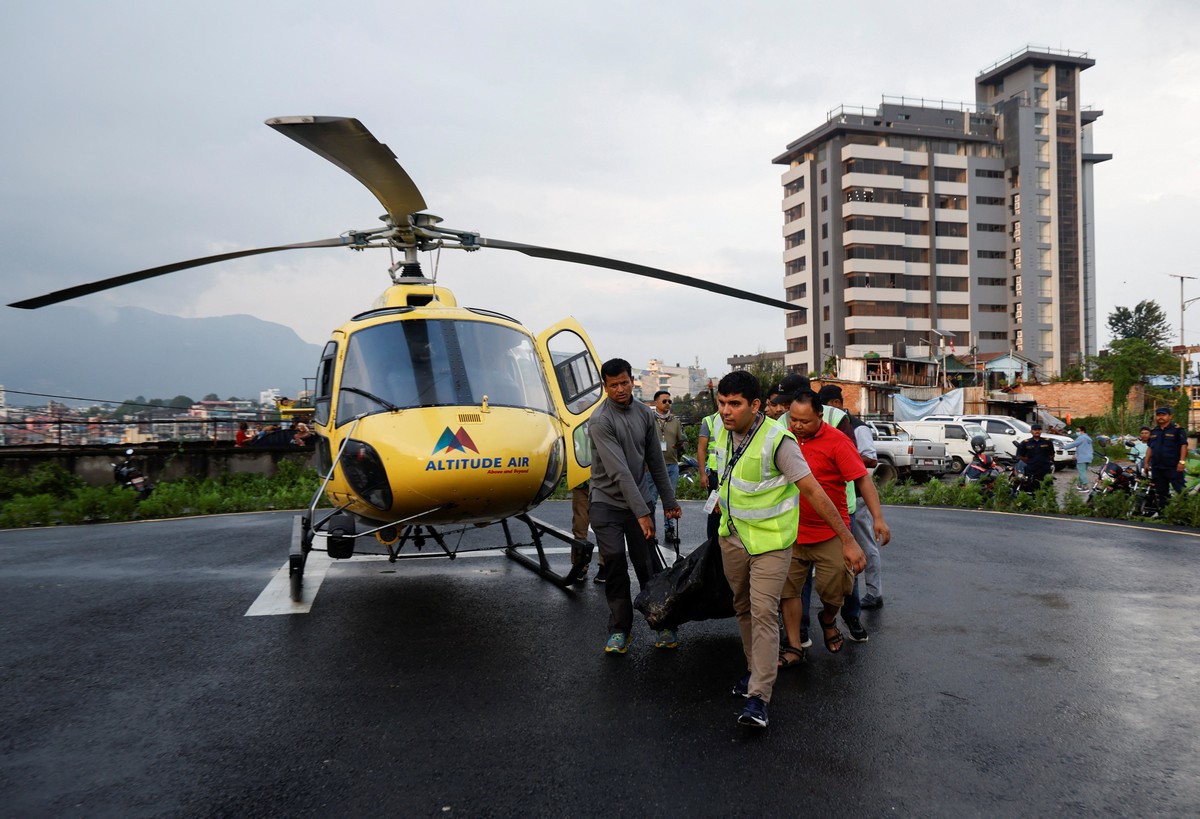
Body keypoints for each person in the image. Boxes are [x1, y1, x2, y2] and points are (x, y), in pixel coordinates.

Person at [712, 371, 862, 729]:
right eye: (721, 403)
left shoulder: (778, 440)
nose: (726, 411)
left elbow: (813, 491)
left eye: (735, 404)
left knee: (763, 612)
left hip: (772, 545)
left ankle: (758, 698)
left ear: (756, 406)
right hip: (732, 538)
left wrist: (848, 538)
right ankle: (753, 671)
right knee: (743, 607)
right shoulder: (721, 429)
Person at [781, 390, 889, 663]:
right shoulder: (783, 437)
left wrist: (878, 517)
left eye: (804, 421)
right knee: (789, 591)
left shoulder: (837, 441)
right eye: (793, 419)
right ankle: (794, 645)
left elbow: (863, 480)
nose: (797, 426)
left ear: (820, 415)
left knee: (838, 589)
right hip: (790, 531)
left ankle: (828, 619)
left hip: (830, 532)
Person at [588, 358, 683, 655]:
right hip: (606, 501)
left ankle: (662, 621)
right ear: (605, 387)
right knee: (615, 560)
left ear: (632, 381)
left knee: (646, 564)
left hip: (638, 500)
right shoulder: (600, 420)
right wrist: (643, 513)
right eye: (613, 384)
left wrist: (669, 501)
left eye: (624, 383)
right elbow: (619, 472)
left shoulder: (644, 414)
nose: (620, 389)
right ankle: (620, 630)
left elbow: (656, 461)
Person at [818, 384, 885, 611]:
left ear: (837, 404)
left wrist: (842, 456)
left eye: (826, 405)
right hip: (838, 496)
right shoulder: (826, 427)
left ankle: (874, 593)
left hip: (857, 495)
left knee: (865, 546)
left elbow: (872, 460)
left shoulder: (857, 428)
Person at [640, 390, 686, 546]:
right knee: (651, 500)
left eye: (669, 401)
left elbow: (684, 441)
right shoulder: (648, 420)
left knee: (670, 500)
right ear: (656, 403)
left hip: (671, 465)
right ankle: (650, 531)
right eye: (664, 401)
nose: (668, 404)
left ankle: (670, 530)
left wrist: (680, 446)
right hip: (651, 467)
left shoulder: (675, 421)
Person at [1147, 406, 1188, 502]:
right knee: (1161, 492)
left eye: (1163, 415)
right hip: (1157, 467)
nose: (1160, 417)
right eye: (1158, 415)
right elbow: (1150, 448)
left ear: (1170, 417)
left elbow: (1184, 445)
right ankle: (1163, 514)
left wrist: (1182, 462)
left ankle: (1187, 513)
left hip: (1173, 467)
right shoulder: (1153, 431)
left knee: (1180, 490)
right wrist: (1146, 463)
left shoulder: (1177, 430)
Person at [695, 404, 723, 541]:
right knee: (714, 511)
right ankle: (712, 544)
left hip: (732, 474)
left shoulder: (738, 420)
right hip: (715, 474)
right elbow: (701, 449)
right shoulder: (709, 420)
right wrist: (702, 474)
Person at [1015, 423, 1055, 490]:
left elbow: (1052, 454)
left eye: (1039, 430)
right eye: (1035, 430)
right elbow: (1021, 456)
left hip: (1044, 468)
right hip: (1031, 469)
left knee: (1046, 487)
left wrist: (1045, 460)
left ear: (1041, 431)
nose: (1037, 431)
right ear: (1031, 431)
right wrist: (1030, 462)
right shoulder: (1025, 443)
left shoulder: (1047, 442)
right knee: (1031, 487)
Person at [1061, 425, 1094, 490]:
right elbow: (1082, 447)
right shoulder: (1088, 438)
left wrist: (1063, 447)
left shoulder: (1081, 438)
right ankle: (1080, 484)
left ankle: (1085, 486)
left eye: (1078, 431)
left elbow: (1073, 444)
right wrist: (1075, 454)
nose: (1077, 432)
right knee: (1083, 471)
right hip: (1089, 457)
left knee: (1082, 472)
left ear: (1082, 431)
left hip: (1082, 457)